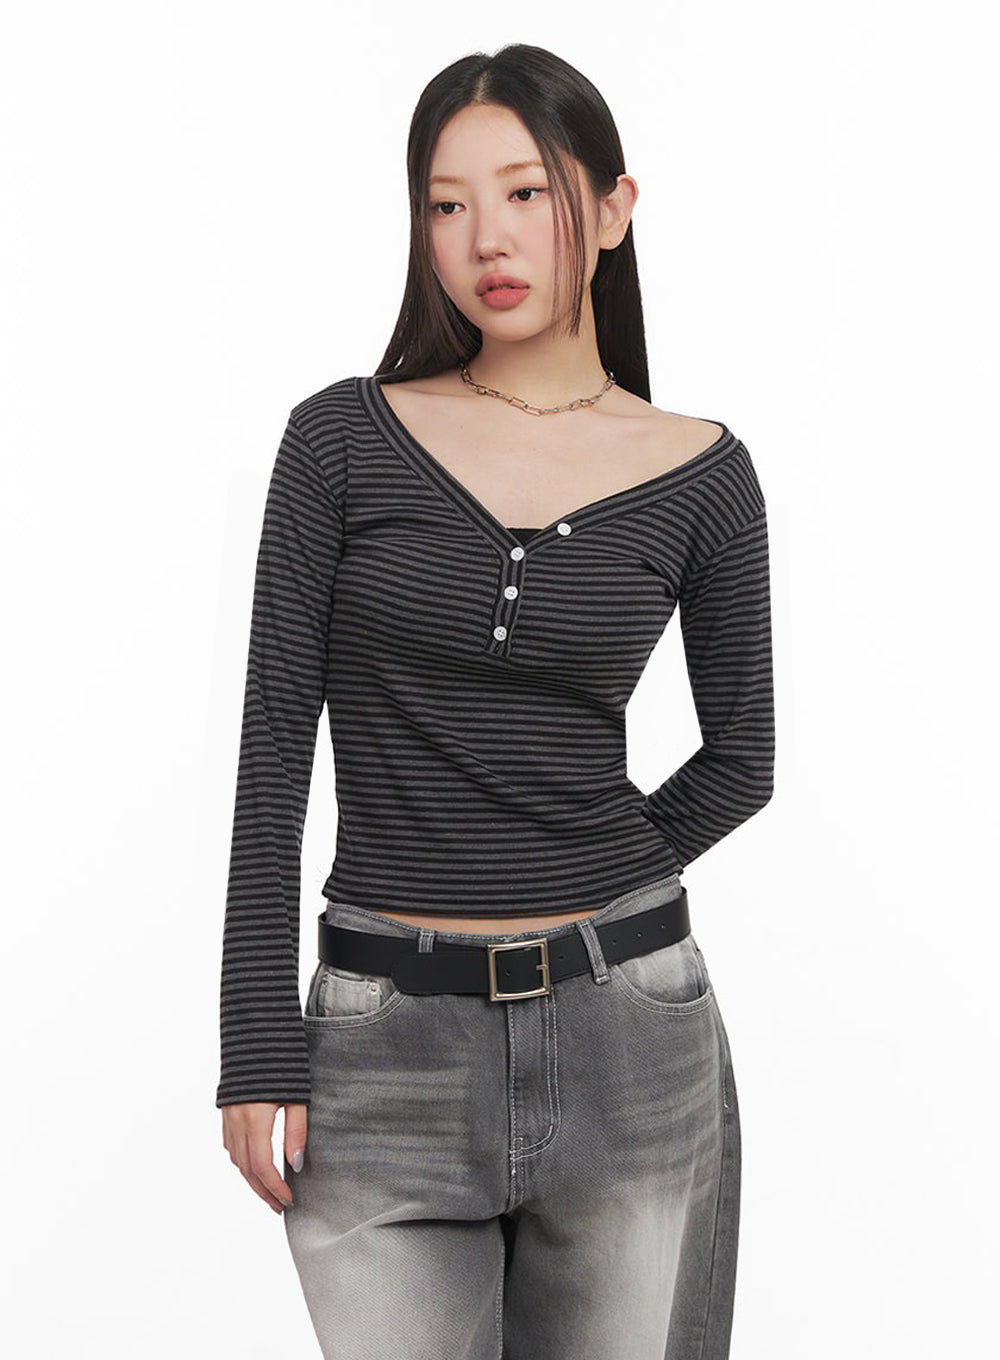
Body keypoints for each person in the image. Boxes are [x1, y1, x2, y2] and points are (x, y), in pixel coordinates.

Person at [216, 42, 774, 1360]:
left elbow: (743, 761)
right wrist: (255, 1042)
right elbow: (272, 750)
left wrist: (586, 866)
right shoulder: (339, 440)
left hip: (629, 1036)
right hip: (382, 1044)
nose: (487, 239)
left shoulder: (703, 474)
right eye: (447, 203)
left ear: (614, 208)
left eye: (527, 192)